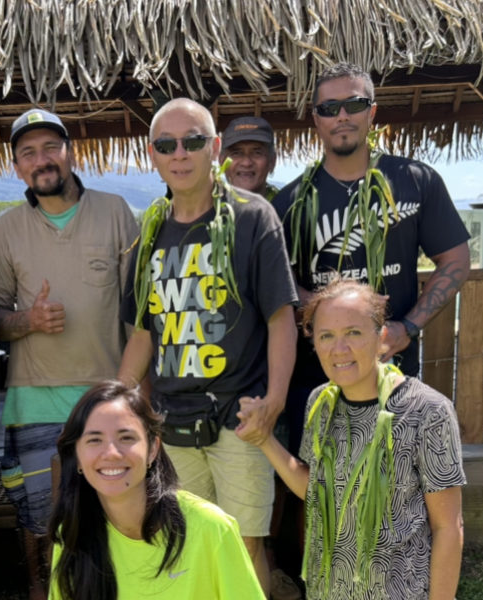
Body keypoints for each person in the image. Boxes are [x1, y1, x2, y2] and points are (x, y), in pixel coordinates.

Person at [118, 97, 298, 597]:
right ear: (152, 154)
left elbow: (281, 317)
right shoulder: (150, 231)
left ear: (213, 148)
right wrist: (115, 399)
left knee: (245, 544)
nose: (180, 153)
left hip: (240, 418)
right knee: (190, 543)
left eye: (193, 141)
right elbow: (142, 334)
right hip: (173, 421)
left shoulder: (251, 217)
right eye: (166, 144)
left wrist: (274, 401)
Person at [272, 62, 470, 453]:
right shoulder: (291, 201)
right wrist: (325, 316)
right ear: (316, 118)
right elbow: (279, 280)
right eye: (329, 108)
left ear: (372, 111)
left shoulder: (415, 180)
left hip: (393, 373)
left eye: (354, 104)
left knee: (396, 488)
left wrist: (406, 328)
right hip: (317, 381)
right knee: (317, 493)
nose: (342, 116)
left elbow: (456, 260)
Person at [0, 108, 139, 598]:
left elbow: (141, 314)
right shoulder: (6, 229)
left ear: (71, 153)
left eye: (51, 147)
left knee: (113, 515)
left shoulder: (116, 211)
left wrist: (136, 393)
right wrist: (27, 321)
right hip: (34, 401)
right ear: (16, 167)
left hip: (106, 397)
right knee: (40, 524)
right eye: (27, 153)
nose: (41, 159)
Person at [236, 277, 466, 600]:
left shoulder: (426, 411)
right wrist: (264, 440)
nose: (339, 349)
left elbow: (448, 528)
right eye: (326, 336)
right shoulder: (321, 404)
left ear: (381, 336)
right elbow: (314, 489)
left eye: (353, 333)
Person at [48, 380, 266, 600]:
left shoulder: (212, 528)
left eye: (126, 438)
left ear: (153, 448)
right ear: (76, 457)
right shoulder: (71, 533)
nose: (111, 452)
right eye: (95, 440)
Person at [219, 116, 279, 200]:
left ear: (272, 161)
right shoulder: (206, 208)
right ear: (222, 161)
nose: (246, 163)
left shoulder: (288, 208)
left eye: (257, 153)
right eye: (236, 153)